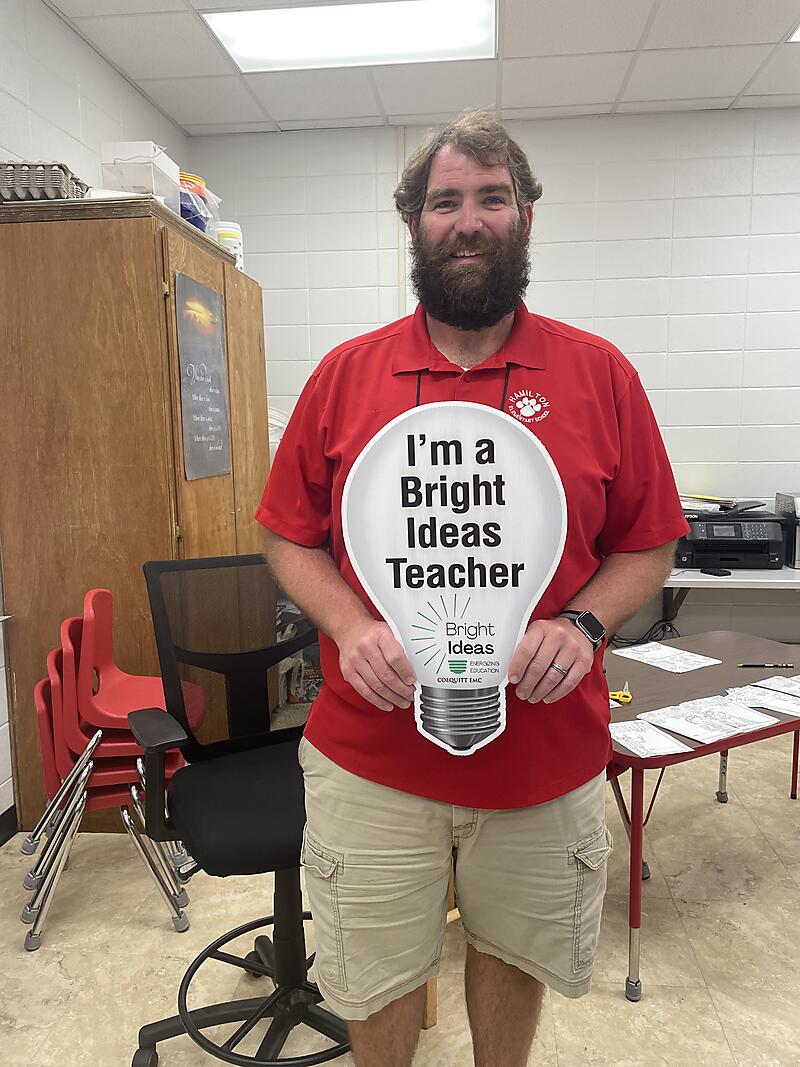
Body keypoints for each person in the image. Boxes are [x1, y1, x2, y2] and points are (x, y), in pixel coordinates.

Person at [256, 111, 689, 1067]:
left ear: (526, 216)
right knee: (373, 972)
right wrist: (349, 624)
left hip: (542, 753)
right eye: (445, 201)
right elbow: (287, 534)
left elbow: (650, 541)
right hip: (373, 758)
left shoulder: (599, 375)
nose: (469, 220)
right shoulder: (344, 377)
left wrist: (583, 624)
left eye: (493, 198)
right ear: (412, 223)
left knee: (514, 952)